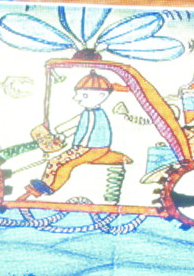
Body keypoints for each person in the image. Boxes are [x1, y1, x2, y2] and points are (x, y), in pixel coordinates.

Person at [19, 70, 130, 200]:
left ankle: (51, 187)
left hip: (91, 147)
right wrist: (62, 134)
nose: (77, 98)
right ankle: (44, 183)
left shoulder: (95, 114)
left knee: (66, 164)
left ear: (101, 95)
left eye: (84, 95)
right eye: (78, 94)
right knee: (55, 161)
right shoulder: (87, 112)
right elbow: (76, 125)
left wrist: (78, 147)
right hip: (87, 147)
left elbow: (89, 132)